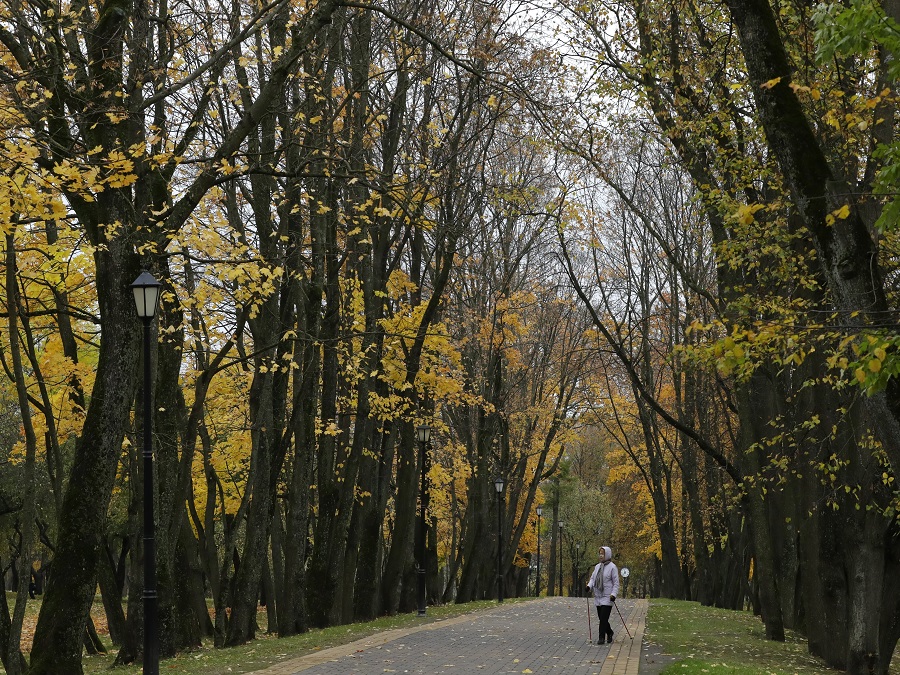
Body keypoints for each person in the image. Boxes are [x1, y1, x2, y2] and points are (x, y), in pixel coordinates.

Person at [586, 545, 619, 644]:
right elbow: (593, 579)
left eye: (603, 554)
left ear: (607, 554)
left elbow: (616, 583)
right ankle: (609, 632)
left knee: (603, 618)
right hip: (598, 596)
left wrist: (613, 594)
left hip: (608, 597)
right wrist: (589, 586)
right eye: (600, 553)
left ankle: (601, 638)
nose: (600, 556)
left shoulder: (612, 567)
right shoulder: (597, 567)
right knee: (601, 618)